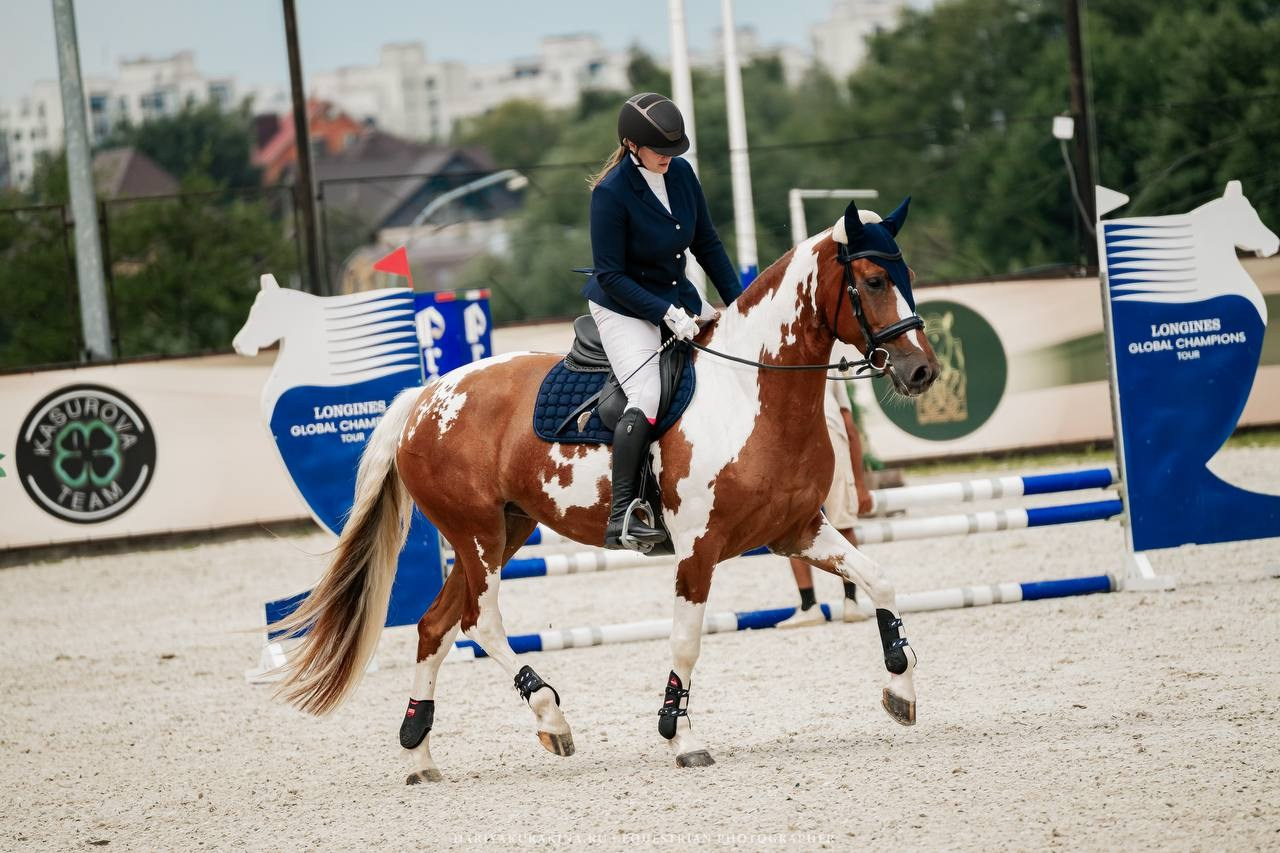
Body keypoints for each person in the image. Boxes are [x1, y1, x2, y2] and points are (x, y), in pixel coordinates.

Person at [582, 92, 744, 550]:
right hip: (623, 306)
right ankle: (624, 515)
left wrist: (741, 304)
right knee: (647, 392)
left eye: (675, 151)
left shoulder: (682, 174)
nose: (669, 159)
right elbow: (610, 274)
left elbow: (707, 244)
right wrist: (663, 313)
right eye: (660, 151)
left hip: (676, 296)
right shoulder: (611, 194)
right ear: (632, 145)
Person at [777, 371, 874, 626]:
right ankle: (847, 602)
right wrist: (860, 485)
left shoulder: (785, 357)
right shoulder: (833, 365)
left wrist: (861, 487)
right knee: (837, 526)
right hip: (823, 440)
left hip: (803, 443)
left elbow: (849, 425)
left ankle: (816, 604)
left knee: (796, 528)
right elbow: (849, 426)